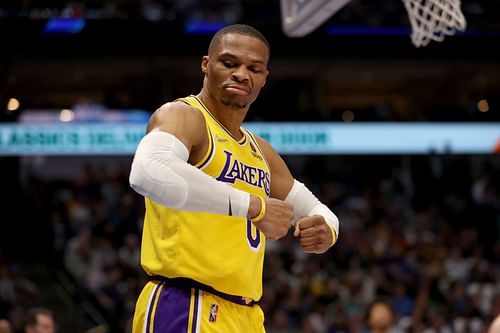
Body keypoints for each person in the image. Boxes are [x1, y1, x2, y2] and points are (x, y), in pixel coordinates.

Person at [129, 23, 339, 333]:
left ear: (264, 78)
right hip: (187, 303)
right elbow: (148, 170)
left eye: (254, 68)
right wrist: (256, 207)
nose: (242, 74)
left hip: (247, 315)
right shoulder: (184, 116)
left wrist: (327, 230)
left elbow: (318, 210)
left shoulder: (260, 150)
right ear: (206, 64)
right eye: (229, 63)